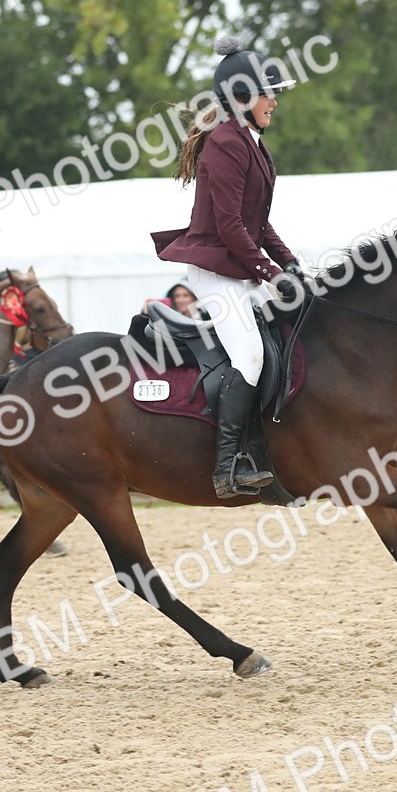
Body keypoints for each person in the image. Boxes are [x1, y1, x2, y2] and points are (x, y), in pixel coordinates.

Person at [151, 36, 300, 498]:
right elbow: (230, 225)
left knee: (281, 335)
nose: (274, 100)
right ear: (242, 97)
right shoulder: (225, 143)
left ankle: (265, 449)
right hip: (215, 268)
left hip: (237, 262)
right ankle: (227, 464)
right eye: (266, 93)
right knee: (250, 355)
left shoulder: (250, 140)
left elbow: (259, 222)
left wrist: (292, 263)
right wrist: (270, 273)